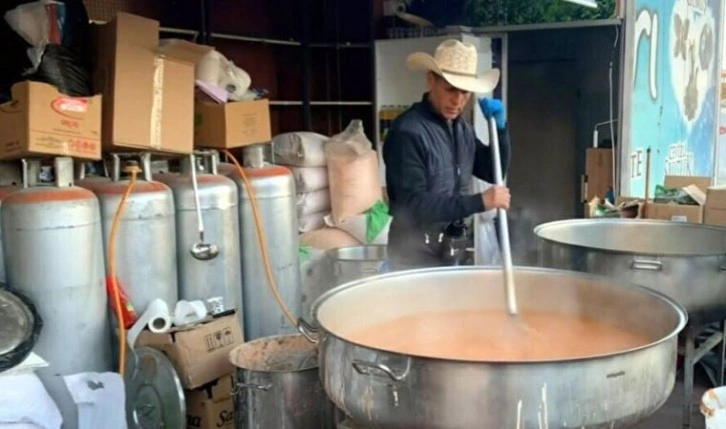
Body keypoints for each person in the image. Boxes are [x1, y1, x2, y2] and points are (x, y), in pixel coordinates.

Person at [382, 39, 512, 270]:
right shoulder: (408, 132)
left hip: (451, 248)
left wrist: (501, 131)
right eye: (451, 89)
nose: (458, 100)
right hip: (414, 254)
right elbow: (412, 205)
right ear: (431, 81)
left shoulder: (462, 128)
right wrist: (479, 201)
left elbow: (494, 171)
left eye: (465, 92)